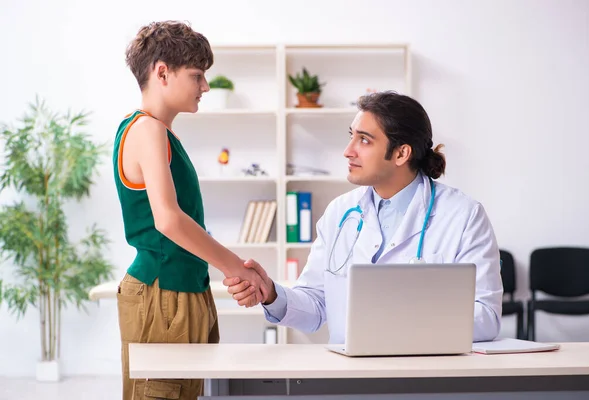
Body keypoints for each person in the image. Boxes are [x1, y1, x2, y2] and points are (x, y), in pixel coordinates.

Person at [224, 90, 503, 343]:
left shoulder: (463, 215)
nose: (348, 151)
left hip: (423, 375)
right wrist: (272, 293)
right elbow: (317, 305)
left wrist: (396, 318)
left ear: (401, 153)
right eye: (351, 136)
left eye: (364, 140)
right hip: (349, 376)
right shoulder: (339, 213)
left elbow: (486, 317)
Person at [113, 21, 267, 400]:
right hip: (161, 292)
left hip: (182, 291)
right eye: (197, 76)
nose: (206, 87)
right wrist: (236, 268)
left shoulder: (160, 133)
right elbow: (168, 220)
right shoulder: (147, 131)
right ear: (161, 72)